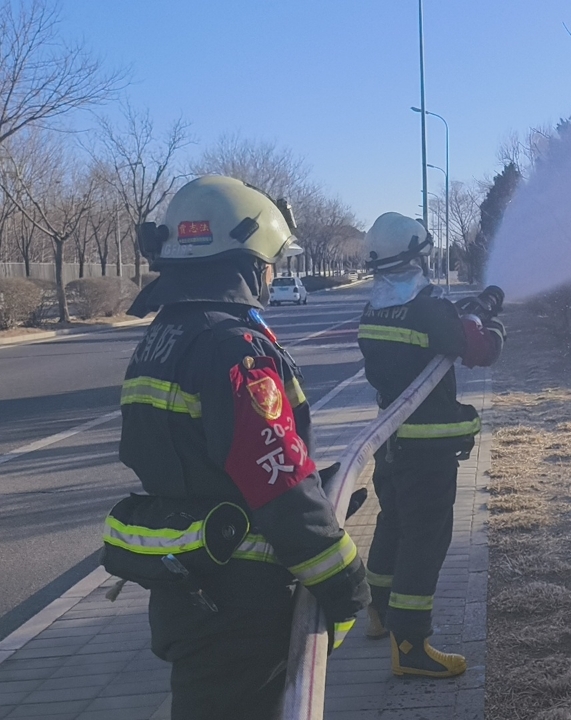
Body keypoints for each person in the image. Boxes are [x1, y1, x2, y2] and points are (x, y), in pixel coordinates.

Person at [101, 175, 370, 719]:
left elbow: (205, 456)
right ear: (248, 263)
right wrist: (345, 580)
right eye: (270, 262)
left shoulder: (163, 337)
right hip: (243, 605)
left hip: (191, 590)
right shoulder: (234, 347)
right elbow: (276, 478)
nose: (272, 274)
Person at [356, 211, 504, 677]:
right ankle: (412, 645)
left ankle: (379, 612)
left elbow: (433, 333)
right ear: (418, 256)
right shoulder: (428, 310)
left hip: (391, 443)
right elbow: (478, 350)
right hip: (428, 450)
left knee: (393, 521)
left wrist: (468, 311)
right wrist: (494, 326)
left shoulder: (374, 309)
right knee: (427, 537)